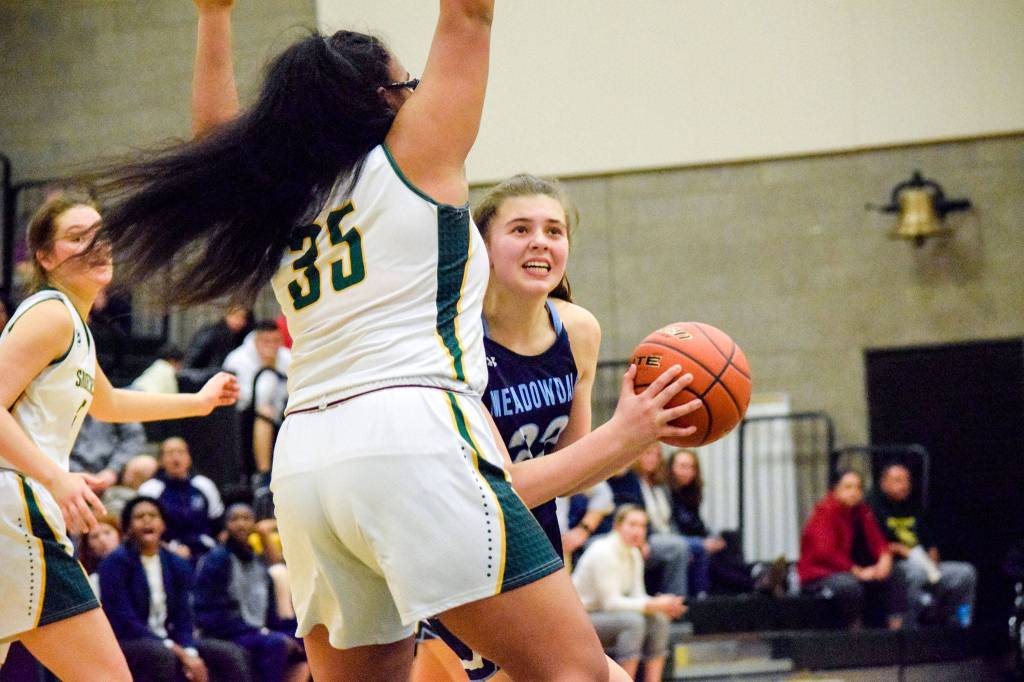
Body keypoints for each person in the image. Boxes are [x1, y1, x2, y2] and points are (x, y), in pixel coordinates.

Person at [95, 2, 695, 679]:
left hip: (307, 462)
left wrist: (212, 14)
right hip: (411, 433)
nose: (419, 95)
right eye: (409, 86)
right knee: (579, 672)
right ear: (379, 101)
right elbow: (468, 16)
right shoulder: (414, 159)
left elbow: (215, 144)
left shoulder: (283, 200)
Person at [0, 192, 238, 680]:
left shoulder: (75, 326)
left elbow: (107, 403)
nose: (95, 245)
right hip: (15, 512)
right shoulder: (51, 314)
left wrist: (197, 403)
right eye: (76, 237)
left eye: (99, 235)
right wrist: (57, 478)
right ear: (44, 257)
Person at [100, 496, 252, 682]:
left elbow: (184, 616)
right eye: (140, 516)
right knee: (163, 656)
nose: (147, 520)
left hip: (171, 640)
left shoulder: (176, 563)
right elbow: (124, 620)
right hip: (129, 641)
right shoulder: (114, 563)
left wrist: (189, 650)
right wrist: (177, 650)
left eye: (153, 515)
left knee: (231, 654)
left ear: (163, 525)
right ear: (129, 527)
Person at [193, 503, 309, 682]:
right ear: (226, 525)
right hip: (227, 632)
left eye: (246, 519)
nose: (241, 524)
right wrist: (260, 632)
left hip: (258, 629)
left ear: (254, 524)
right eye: (234, 519)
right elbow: (208, 614)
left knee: (307, 635)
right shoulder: (216, 560)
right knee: (276, 644)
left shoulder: (258, 562)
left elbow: (269, 613)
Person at [572, 505, 686, 682]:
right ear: (617, 526)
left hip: (606, 616)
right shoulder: (603, 551)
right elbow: (610, 603)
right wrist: (652, 604)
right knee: (634, 622)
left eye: (642, 526)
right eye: (632, 524)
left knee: (659, 620)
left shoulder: (633, 552)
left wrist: (662, 605)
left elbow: (637, 596)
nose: (638, 531)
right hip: (582, 620)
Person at [867, 462, 977, 628]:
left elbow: (930, 544)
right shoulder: (873, 508)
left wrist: (931, 560)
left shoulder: (914, 507)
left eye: (907, 481)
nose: (904, 486)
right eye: (898, 481)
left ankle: (960, 625)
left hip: (924, 563)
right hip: (896, 566)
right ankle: (910, 627)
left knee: (965, 573)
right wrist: (904, 551)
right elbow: (876, 545)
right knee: (916, 573)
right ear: (884, 483)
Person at [797, 469, 897, 629]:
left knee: (894, 574)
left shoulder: (861, 511)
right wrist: (857, 571)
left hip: (849, 569)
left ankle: (896, 629)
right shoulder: (825, 512)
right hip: (820, 574)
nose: (854, 492)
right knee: (849, 586)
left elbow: (877, 540)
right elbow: (826, 553)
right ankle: (852, 631)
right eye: (848, 487)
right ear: (835, 490)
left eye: (858, 487)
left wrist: (885, 558)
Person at [667, 448, 760, 596]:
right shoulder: (668, 493)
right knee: (706, 553)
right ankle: (753, 582)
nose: (688, 471)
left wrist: (712, 538)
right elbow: (672, 527)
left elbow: (698, 524)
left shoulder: (690, 493)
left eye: (692, 467)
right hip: (681, 540)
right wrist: (701, 542)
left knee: (727, 539)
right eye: (683, 466)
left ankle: (753, 574)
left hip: (695, 538)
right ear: (671, 468)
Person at [138, 436, 224, 561]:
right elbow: (144, 531)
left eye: (180, 452)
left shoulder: (205, 485)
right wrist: (170, 549)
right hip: (166, 552)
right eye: (170, 453)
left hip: (206, 551)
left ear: (189, 458)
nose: (176, 458)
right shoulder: (150, 489)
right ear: (161, 461)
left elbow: (218, 525)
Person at [69, 414, 147, 494]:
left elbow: (134, 437)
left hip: (113, 471)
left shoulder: (115, 404)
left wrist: (113, 470)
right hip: (69, 473)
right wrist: (79, 472)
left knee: (144, 464)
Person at [182, 305, 251, 371]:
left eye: (243, 318)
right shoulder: (210, 334)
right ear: (226, 315)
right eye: (236, 316)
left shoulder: (242, 337)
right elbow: (190, 365)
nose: (239, 321)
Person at [79, 513, 122, 598]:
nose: (102, 540)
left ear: (119, 534)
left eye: (107, 532)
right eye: (95, 536)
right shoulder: (87, 578)